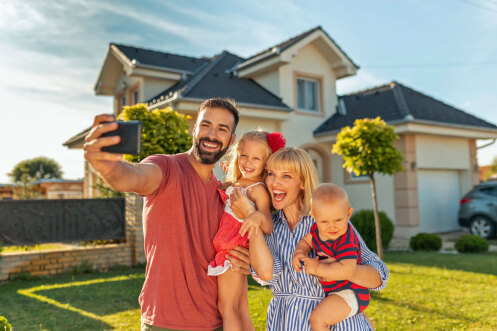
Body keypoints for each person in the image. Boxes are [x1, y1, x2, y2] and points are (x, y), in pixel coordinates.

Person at [83, 98, 251, 331]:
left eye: (222, 129)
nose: (212, 134)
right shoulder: (166, 168)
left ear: (231, 140)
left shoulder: (223, 196)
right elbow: (134, 176)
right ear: (194, 129)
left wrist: (244, 260)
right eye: (206, 125)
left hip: (216, 324)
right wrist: (109, 167)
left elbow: (226, 250)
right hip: (165, 323)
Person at [230, 147, 389, 331]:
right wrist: (252, 216)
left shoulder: (327, 222)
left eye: (286, 176)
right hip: (285, 323)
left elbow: (379, 277)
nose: (275, 182)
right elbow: (268, 275)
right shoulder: (269, 227)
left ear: (303, 183)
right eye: (271, 174)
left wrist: (340, 269)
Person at [207, 130, 285, 331]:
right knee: (240, 308)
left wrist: (255, 216)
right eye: (243, 155)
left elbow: (267, 225)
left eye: (256, 158)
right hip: (230, 249)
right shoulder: (237, 184)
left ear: (266, 163)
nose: (248, 162)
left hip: (232, 251)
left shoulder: (257, 189)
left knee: (227, 307)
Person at [292, 183, 370, 330]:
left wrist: (317, 268)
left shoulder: (345, 239)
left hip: (352, 292)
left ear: (348, 214)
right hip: (338, 292)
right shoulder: (317, 229)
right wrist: (300, 253)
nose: (332, 226)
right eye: (324, 221)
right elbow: (306, 241)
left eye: (338, 220)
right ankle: (365, 321)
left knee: (318, 319)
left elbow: (347, 271)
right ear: (314, 217)